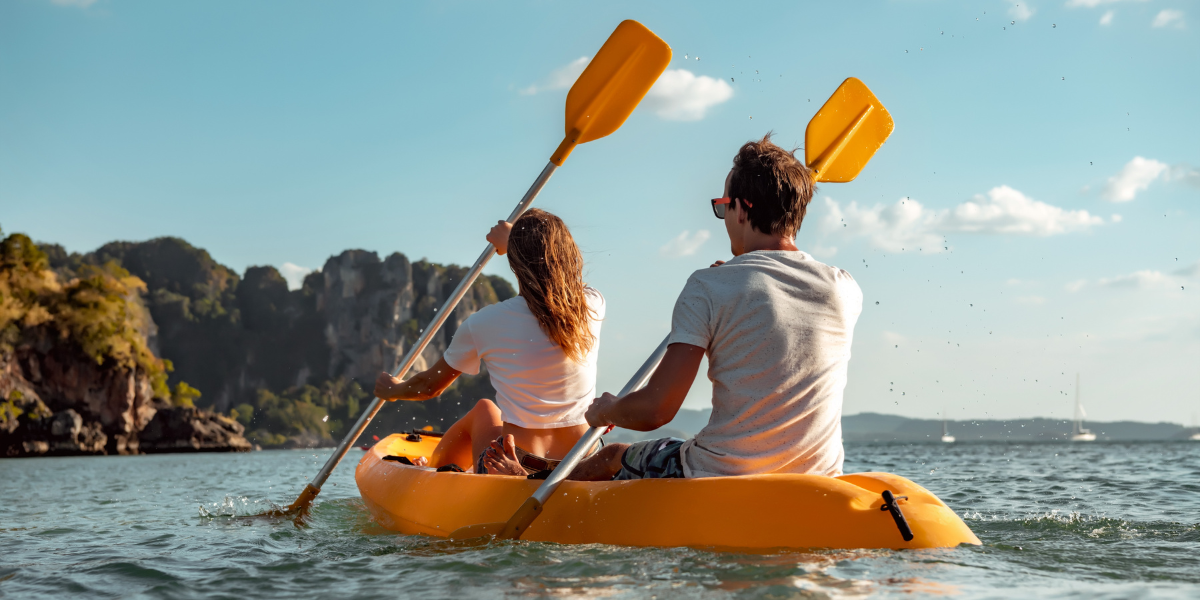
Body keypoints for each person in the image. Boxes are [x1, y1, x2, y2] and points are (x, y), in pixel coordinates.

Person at [568, 134, 863, 481]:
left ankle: (531, 489)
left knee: (615, 455)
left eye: (723, 206)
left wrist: (607, 411)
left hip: (718, 472)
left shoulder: (707, 287)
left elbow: (656, 410)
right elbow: (775, 312)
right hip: (816, 477)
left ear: (741, 208)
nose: (723, 216)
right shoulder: (843, 287)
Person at [374, 208, 605, 476]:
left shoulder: (483, 323)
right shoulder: (592, 305)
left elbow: (429, 387)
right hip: (584, 459)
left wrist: (393, 390)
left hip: (516, 462)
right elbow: (558, 280)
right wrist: (516, 245)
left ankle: (436, 478)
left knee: (484, 408)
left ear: (516, 259)